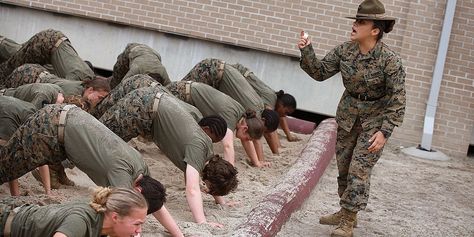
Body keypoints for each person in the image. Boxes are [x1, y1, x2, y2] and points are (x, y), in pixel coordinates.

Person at [297, 0, 406, 236]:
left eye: (361, 22)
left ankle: (347, 221)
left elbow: (397, 98)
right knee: (345, 168)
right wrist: (307, 50)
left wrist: (385, 131)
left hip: (374, 122)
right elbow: (320, 72)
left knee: (359, 170)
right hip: (348, 117)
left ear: (375, 30)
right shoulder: (345, 51)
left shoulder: (390, 61)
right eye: (355, 21)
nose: (355, 25)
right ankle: (346, 212)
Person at [0, 103, 183, 236]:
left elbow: (156, 201)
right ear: (137, 190)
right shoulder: (122, 178)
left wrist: (178, 235)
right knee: (5, 167)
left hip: (65, 122)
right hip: (52, 126)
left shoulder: (140, 168)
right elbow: (121, 211)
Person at [99, 86, 238, 227]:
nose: (206, 188)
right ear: (210, 178)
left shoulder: (207, 151)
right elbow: (192, 188)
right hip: (143, 106)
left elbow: (214, 177)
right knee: (101, 135)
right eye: (208, 187)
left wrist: (222, 202)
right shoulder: (198, 152)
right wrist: (202, 222)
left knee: (101, 127)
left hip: (152, 100)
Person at [182, 58, 280, 167]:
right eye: (263, 130)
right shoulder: (254, 112)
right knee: (177, 94)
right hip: (213, 70)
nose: (261, 134)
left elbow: (248, 139)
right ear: (262, 121)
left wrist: (257, 161)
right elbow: (243, 141)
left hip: (217, 71)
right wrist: (259, 161)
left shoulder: (255, 108)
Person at [167, 80, 274, 167]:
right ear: (245, 128)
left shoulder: (242, 115)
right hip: (177, 93)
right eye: (248, 138)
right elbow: (227, 146)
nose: (247, 141)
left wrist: (257, 162)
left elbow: (246, 141)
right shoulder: (231, 117)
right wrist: (230, 170)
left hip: (186, 89)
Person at [0, 187, 149, 237]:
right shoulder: (80, 220)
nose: (139, 231)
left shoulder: (103, 222)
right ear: (115, 217)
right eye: (137, 224)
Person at [231, 63, 300, 151]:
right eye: (286, 112)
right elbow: (269, 131)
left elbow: (280, 119)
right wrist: (276, 151)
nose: (285, 115)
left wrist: (289, 137)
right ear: (281, 104)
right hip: (235, 74)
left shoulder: (275, 101)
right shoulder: (271, 98)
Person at [0, 29, 95, 83]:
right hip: (48, 44)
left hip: (52, 39)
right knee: (14, 59)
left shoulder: (72, 65)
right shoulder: (76, 77)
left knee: (19, 51)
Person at [2, 64, 109, 109]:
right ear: (90, 90)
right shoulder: (73, 92)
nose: (99, 102)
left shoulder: (80, 92)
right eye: (99, 97)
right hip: (28, 75)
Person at [0, 83, 64, 109]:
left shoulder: (54, 90)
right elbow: (32, 114)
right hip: (4, 99)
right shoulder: (43, 96)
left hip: (7, 96)